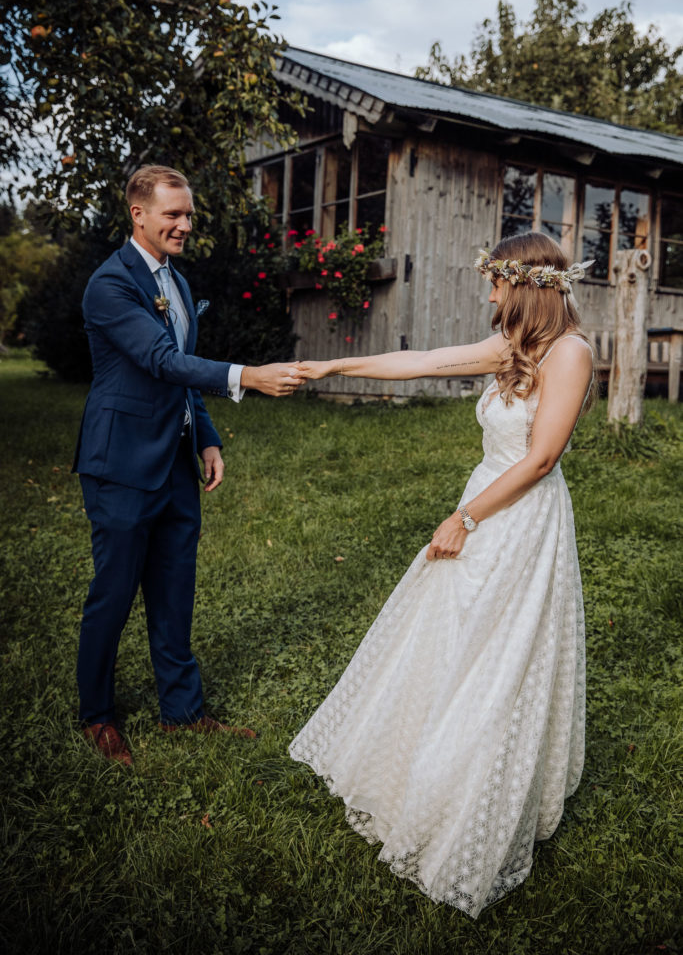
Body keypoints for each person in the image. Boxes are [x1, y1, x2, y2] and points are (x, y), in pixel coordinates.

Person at [289, 231, 595, 917]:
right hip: (485, 499)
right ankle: (416, 770)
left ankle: (466, 802)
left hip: (515, 518)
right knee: (445, 644)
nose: (487, 294)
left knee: (497, 659)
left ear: (522, 285)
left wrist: (466, 519)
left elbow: (541, 458)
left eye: (494, 282)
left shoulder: (568, 353)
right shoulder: (513, 349)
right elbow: (422, 360)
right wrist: (331, 370)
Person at [73, 164, 304, 767]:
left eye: (188, 214)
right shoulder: (110, 284)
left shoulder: (175, 280)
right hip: (120, 462)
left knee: (175, 593)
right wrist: (247, 377)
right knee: (114, 594)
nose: (184, 224)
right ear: (138, 215)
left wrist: (206, 437)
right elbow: (157, 359)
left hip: (176, 463)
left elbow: (183, 366)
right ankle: (97, 716)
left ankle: (182, 712)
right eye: (172, 214)